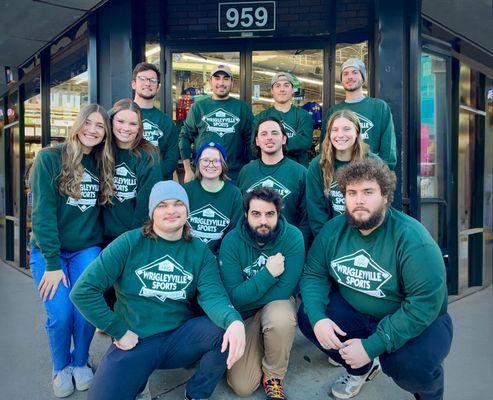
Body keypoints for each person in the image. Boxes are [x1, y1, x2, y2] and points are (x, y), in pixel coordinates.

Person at [70, 181, 246, 400]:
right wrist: (118, 329)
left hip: (178, 338)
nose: (171, 211)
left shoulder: (199, 251)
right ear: (152, 212)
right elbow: (83, 291)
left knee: (225, 332)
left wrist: (234, 321)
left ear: (187, 210)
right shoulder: (129, 243)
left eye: (178, 204)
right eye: (162, 205)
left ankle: (196, 393)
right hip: (135, 339)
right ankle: (138, 379)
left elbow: (214, 295)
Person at [298, 159, 452, 399]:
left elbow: (424, 304)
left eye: (368, 192)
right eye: (352, 193)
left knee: (410, 365)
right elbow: (313, 274)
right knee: (308, 316)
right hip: (358, 313)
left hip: (417, 319)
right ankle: (360, 368)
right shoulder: (333, 231)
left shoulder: (412, 239)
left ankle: (429, 394)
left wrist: (372, 346)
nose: (359, 200)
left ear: (386, 197)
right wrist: (319, 318)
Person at [29, 104, 115, 398]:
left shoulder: (103, 164)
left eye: (100, 126)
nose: (92, 130)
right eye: (88, 123)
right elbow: (42, 215)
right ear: (77, 125)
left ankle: (81, 361)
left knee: (86, 309)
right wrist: (52, 262)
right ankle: (60, 366)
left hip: (85, 249)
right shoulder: (49, 159)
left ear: (105, 134)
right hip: (48, 252)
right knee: (61, 312)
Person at [219, 188, 304, 400]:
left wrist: (247, 291)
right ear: (246, 214)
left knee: (280, 317)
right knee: (242, 387)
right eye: (256, 214)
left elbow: (284, 290)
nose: (263, 221)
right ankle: (264, 342)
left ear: (278, 214)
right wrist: (268, 274)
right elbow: (234, 297)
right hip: (244, 314)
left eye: (270, 214)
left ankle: (274, 376)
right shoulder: (231, 241)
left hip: (276, 305)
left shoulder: (293, 237)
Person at [238, 116, 311, 246]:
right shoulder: (246, 172)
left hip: (287, 246)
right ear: (257, 141)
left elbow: (306, 219)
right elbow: (240, 213)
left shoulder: (300, 172)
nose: (269, 137)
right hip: (251, 246)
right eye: (264, 134)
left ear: (284, 139)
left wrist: (298, 246)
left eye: (275, 133)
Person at [307, 109, 379, 236]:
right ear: (329, 134)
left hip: (368, 235)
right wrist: (328, 243)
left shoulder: (373, 162)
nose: (340, 135)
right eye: (335, 130)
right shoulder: (317, 165)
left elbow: (379, 207)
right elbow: (316, 213)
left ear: (357, 132)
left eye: (346, 129)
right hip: (332, 238)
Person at [179, 64, 253, 182]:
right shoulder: (198, 107)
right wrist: (188, 170)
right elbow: (184, 137)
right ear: (210, 81)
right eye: (217, 78)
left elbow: (251, 141)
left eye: (226, 78)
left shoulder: (242, 108)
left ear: (232, 82)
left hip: (234, 176)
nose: (221, 83)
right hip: (202, 175)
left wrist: (251, 168)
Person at [319, 58, 397, 169]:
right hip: (339, 173)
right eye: (345, 73)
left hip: (371, 172)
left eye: (355, 72)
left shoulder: (379, 107)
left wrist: (383, 172)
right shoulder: (334, 111)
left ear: (363, 78)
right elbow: (325, 145)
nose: (350, 77)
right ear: (341, 79)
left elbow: (388, 147)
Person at [103, 98, 162, 242]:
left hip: (132, 236)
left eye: (133, 124)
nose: (126, 128)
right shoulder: (101, 149)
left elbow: (146, 203)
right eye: (120, 121)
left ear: (139, 127)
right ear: (110, 122)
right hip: (98, 237)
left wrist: (134, 238)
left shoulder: (148, 154)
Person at [183, 142, 242, 255]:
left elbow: (235, 233)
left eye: (216, 161)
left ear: (223, 164)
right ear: (198, 163)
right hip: (187, 256)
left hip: (219, 257)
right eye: (205, 160)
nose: (210, 165)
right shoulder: (185, 191)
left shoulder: (234, 194)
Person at [252, 72, 313, 166]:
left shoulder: (303, 116)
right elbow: (254, 145)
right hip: (268, 171)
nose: (282, 89)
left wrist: (271, 144)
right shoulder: (261, 117)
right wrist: (291, 143)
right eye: (277, 86)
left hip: (297, 173)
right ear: (272, 90)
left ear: (293, 90)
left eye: (286, 85)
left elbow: (304, 142)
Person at [132, 62, 179, 180]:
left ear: (158, 87)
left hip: (156, 187)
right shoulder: (118, 115)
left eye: (153, 80)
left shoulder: (167, 122)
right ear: (133, 84)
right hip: (124, 186)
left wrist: (151, 177)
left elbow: (171, 159)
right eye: (143, 79)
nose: (148, 83)